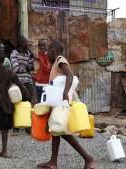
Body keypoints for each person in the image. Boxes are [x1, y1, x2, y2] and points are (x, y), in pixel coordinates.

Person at [37, 40, 95, 169]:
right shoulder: (55, 63)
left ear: (53, 51)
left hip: (61, 102)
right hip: (56, 101)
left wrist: (65, 94)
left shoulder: (59, 59)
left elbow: (70, 75)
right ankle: (53, 162)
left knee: (60, 131)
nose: (47, 55)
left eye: (48, 52)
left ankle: (88, 158)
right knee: (56, 131)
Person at [10, 37, 35, 134]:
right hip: (18, 82)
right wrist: (26, 67)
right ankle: (16, 126)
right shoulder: (14, 53)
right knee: (17, 103)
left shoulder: (28, 53)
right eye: (26, 43)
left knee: (27, 104)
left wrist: (28, 65)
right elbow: (15, 68)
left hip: (28, 82)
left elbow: (32, 67)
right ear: (21, 44)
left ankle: (27, 126)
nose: (27, 45)